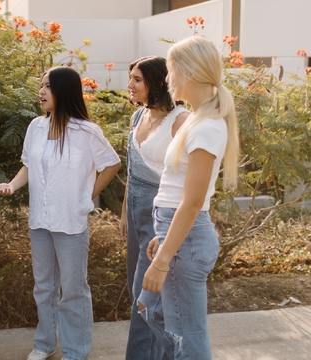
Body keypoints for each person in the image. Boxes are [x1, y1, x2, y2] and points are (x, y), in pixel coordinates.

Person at [0, 66, 121, 360]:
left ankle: (75, 351)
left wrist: (87, 194)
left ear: (64, 90)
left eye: (48, 86)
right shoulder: (35, 127)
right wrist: (12, 185)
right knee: (44, 287)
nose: (41, 92)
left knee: (73, 290)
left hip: (71, 222)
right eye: (40, 86)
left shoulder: (87, 132)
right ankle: (45, 344)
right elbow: (28, 165)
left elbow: (112, 164)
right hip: (40, 219)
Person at [138, 36, 240, 360]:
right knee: (150, 309)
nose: (166, 79)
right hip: (174, 230)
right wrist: (164, 238)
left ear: (189, 72)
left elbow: (193, 202)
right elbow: (176, 189)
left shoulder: (208, 127)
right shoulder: (195, 119)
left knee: (188, 336)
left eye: (169, 70)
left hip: (187, 237)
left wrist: (163, 258)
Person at [119, 56, 189, 360]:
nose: (130, 85)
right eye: (130, 78)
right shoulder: (138, 118)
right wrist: (124, 212)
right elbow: (132, 171)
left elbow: (188, 179)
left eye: (137, 79)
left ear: (157, 82)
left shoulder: (180, 120)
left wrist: (169, 230)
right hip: (135, 211)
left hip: (161, 213)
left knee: (147, 298)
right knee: (140, 294)